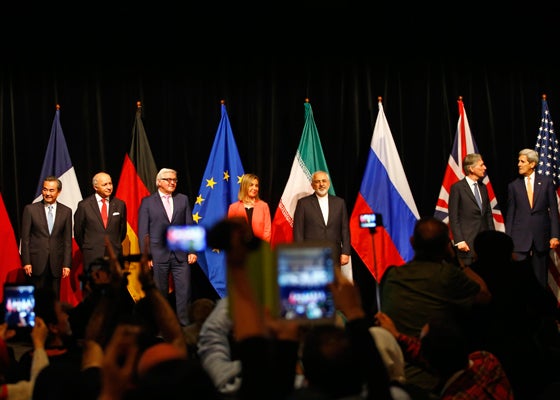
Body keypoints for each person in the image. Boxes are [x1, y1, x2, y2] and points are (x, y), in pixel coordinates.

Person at [379, 216, 491, 393]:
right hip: (433, 379)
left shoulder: (392, 275)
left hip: (393, 376)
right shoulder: (448, 275)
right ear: (447, 246)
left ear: (412, 242)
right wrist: (458, 262)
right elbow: (484, 295)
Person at [375, 311, 514, 400]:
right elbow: (440, 353)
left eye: (421, 341)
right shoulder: (486, 361)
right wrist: (397, 336)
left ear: (428, 362)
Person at [138, 168, 198, 327]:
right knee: (160, 293)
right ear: (159, 182)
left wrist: (192, 250)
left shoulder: (182, 199)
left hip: (180, 254)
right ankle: (162, 327)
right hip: (158, 255)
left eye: (174, 180)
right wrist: (147, 255)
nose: (172, 182)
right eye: (168, 179)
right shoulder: (147, 202)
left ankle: (184, 325)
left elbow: (189, 226)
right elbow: (143, 231)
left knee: (184, 292)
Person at [506, 148, 560, 288]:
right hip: (519, 239)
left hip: (540, 237)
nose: (519, 164)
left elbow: (554, 211)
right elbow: (510, 214)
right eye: (518, 161)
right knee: (518, 280)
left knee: (540, 279)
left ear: (532, 164)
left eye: (522, 161)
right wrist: (508, 239)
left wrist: (555, 235)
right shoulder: (513, 186)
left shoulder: (546, 182)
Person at [20, 176, 73, 299]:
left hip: (56, 263)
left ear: (59, 192)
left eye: (51, 190)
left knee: (54, 299)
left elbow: (67, 240)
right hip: (36, 263)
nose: (47, 193)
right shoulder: (30, 209)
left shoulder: (66, 211)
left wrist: (66, 264)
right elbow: (25, 239)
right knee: (36, 298)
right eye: (45, 190)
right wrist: (26, 262)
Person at [293, 171, 351, 267]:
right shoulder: (303, 203)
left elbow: (345, 229)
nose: (321, 184)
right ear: (312, 185)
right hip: (311, 255)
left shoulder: (340, 203)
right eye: (317, 181)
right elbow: (298, 231)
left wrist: (345, 252)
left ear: (328, 183)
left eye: (324, 181)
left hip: (334, 254)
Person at [74, 171, 127, 274]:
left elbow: (122, 231)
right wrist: (90, 247)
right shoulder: (84, 206)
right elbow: (78, 232)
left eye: (110, 183)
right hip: (92, 256)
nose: (109, 187)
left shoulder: (120, 204)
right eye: (105, 184)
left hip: (114, 255)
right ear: (95, 187)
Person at [448, 153, 495, 266]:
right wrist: (459, 240)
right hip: (467, 243)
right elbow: (453, 217)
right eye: (481, 165)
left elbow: (488, 215)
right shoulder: (457, 188)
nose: (485, 168)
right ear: (471, 168)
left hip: (484, 244)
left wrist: (492, 237)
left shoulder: (483, 187)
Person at [227, 173, 271, 242]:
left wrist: (262, 245)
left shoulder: (264, 206)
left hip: (259, 246)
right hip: (240, 246)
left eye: (256, 185)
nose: (254, 188)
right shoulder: (233, 207)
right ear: (244, 186)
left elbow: (267, 230)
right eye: (251, 185)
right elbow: (231, 231)